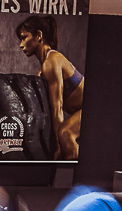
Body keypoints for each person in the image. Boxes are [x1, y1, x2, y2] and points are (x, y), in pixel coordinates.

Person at [17, 15, 83, 161]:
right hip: (78, 111)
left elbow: (57, 108)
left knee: (65, 134)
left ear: (39, 35)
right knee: (62, 136)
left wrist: (58, 146)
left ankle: (72, 181)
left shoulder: (52, 62)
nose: (21, 45)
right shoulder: (45, 67)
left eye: (24, 37)